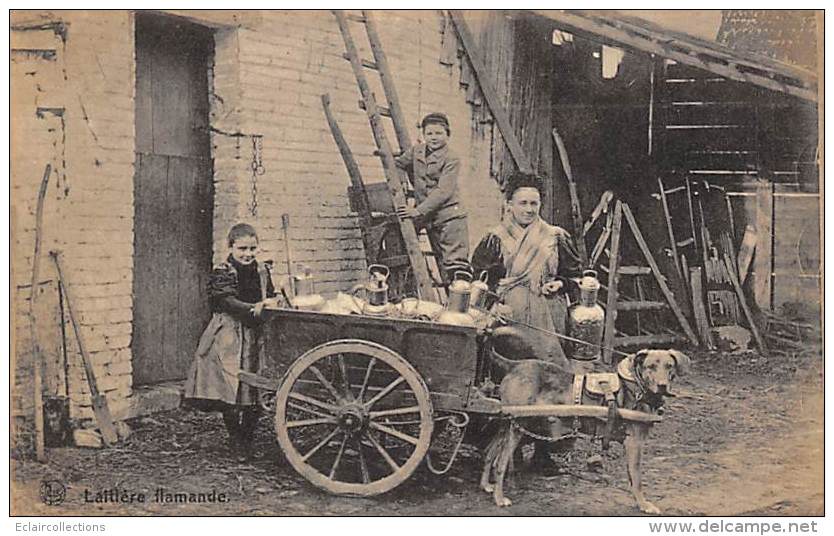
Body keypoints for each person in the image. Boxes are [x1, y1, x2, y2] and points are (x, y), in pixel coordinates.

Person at [183, 223, 278, 458]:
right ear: (231, 247)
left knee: (255, 387)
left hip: (256, 334)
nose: (248, 254)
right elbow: (226, 302)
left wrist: (273, 301)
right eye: (242, 249)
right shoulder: (223, 272)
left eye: (252, 249)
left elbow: (271, 294)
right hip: (229, 334)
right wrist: (254, 308)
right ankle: (236, 439)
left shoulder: (262, 270)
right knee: (230, 388)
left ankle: (247, 437)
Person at [471, 171, 582, 366]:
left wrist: (559, 283)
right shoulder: (495, 238)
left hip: (549, 312)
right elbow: (480, 280)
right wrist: (495, 303)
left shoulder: (555, 236)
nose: (529, 209)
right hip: (509, 313)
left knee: (549, 370)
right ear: (510, 205)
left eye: (534, 203)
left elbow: (575, 276)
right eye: (523, 203)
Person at [395, 112, 471, 284]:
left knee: (455, 265)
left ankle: (461, 305)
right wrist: (402, 186)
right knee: (440, 263)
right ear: (423, 135)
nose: (434, 138)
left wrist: (417, 210)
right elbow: (399, 164)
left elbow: (444, 191)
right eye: (429, 133)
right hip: (429, 216)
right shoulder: (417, 151)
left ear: (447, 134)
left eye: (439, 133)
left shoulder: (452, 158)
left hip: (450, 217)